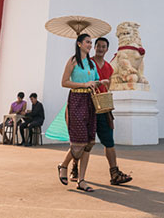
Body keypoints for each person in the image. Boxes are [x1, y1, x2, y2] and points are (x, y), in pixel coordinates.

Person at [70, 36, 132, 185]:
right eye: (97, 46)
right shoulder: (87, 63)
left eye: (103, 46)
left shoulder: (110, 68)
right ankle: (74, 168)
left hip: (103, 107)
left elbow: (107, 86)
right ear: (94, 47)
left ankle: (114, 173)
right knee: (82, 141)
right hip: (87, 105)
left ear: (107, 49)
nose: (100, 48)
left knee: (109, 141)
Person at [56, 33, 109, 192]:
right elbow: (64, 82)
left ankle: (82, 180)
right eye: (87, 42)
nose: (90, 45)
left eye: (91, 42)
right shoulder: (73, 61)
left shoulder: (92, 64)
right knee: (79, 141)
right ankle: (63, 165)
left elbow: (94, 81)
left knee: (89, 143)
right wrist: (85, 84)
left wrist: (101, 82)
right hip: (76, 100)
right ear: (79, 44)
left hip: (90, 102)